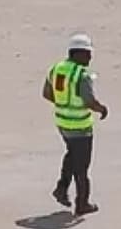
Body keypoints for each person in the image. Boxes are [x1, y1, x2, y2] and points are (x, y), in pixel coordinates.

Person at [42, 33, 108, 215]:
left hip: (62, 123)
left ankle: (61, 189)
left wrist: (64, 103)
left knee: (72, 154)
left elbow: (47, 94)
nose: (90, 57)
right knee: (82, 167)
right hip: (80, 126)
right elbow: (89, 101)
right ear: (77, 53)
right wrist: (102, 109)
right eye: (87, 53)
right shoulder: (81, 75)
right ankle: (82, 203)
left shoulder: (56, 69)